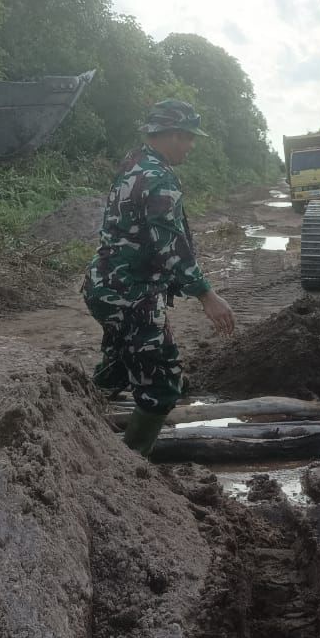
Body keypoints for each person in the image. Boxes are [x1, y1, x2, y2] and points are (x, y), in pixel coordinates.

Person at [83, 99, 235, 458]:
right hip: (130, 295)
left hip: (104, 287)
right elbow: (170, 247)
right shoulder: (160, 178)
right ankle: (129, 468)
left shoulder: (133, 162)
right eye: (188, 138)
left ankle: (70, 423)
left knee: (119, 368)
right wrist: (207, 296)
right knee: (164, 386)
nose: (191, 145)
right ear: (171, 135)